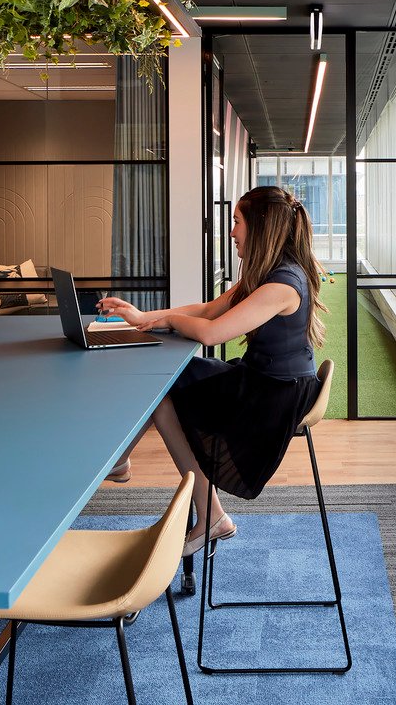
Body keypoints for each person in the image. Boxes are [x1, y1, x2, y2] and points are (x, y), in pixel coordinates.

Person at [96, 185, 326, 556]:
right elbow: (207, 310)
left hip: (271, 397)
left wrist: (167, 319)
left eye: (237, 222)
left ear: (259, 227)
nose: (232, 231)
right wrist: (142, 316)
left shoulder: (283, 284)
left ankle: (129, 464)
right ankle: (144, 474)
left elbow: (210, 332)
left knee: (167, 387)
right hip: (260, 380)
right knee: (169, 383)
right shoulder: (270, 275)